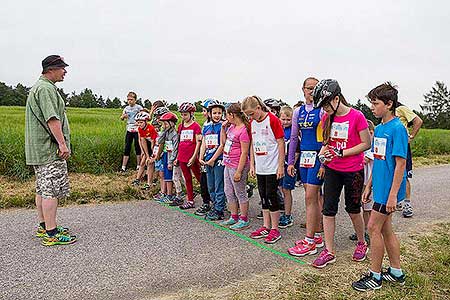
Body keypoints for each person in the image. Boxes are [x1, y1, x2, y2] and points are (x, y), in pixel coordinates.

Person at [352, 82, 408, 291]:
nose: (372, 108)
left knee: (373, 227)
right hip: (381, 187)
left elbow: (400, 163)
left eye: (375, 104)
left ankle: (374, 277)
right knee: (385, 229)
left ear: (389, 104)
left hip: (389, 192)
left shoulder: (397, 129)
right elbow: (378, 160)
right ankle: (396, 272)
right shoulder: (380, 129)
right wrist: (368, 186)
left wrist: (393, 196)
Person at [311, 79, 371, 268]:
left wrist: (342, 152)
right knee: (328, 210)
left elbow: (366, 144)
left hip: (353, 170)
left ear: (337, 99)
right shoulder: (326, 117)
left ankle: (362, 242)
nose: (324, 110)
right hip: (332, 169)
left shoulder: (357, 116)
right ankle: (329, 251)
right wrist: (323, 153)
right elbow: (326, 142)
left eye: (326, 106)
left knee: (353, 209)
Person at [25, 55, 76, 246]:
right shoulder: (45, 88)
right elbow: (52, 119)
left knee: (42, 188)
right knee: (51, 191)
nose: (65, 71)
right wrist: (62, 144)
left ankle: (44, 225)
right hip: (48, 149)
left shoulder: (40, 87)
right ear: (51, 69)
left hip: (40, 149)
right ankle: (51, 233)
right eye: (63, 68)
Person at [287, 77, 325, 257]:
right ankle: (317, 235)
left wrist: (324, 162)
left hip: (318, 157)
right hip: (304, 158)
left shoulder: (322, 111)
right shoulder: (298, 112)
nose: (311, 91)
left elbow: (326, 138)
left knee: (311, 197)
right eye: (308, 88)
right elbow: (294, 138)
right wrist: (289, 162)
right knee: (311, 197)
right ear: (302, 89)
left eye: (314, 88)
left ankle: (309, 241)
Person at [242, 96, 285, 244]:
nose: (250, 117)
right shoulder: (252, 122)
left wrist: (280, 166)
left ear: (259, 108)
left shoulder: (272, 119)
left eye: (252, 113)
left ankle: (275, 228)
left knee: (272, 196)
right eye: (248, 115)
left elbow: (280, 143)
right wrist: (252, 164)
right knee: (263, 196)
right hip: (260, 166)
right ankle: (266, 226)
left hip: (272, 166)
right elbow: (253, 143)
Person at [220, 103, 252, 230]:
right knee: (228, 191)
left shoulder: (243, 130)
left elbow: (245, 152)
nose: (226, 117)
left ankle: (244, 218)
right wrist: (223, 128)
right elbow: (223, 142)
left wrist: (239, 171)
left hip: (237, 165)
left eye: (227, 114)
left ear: (232, 115)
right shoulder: (231, 127)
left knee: (240, 192)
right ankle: (234, 216)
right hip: (227, 163)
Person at [395, 102, 423, 217]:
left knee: (404, 174)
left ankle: (407, 204)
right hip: (391, 145)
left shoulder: (401, 108)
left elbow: (418, 121)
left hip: (402, 145)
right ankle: (397, 200)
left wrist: (410, 137)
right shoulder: (386, 112)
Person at [199, 100, 226, 220]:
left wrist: (213, 159)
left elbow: (222, 145)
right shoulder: (207, 127)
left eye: (219, 113)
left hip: (218, 160)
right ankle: (215, 206)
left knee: (218, 185)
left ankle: (219, 209)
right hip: (208, 160)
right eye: (214, 113)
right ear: (209, 113)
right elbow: (204, 142)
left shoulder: (223, 126)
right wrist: (201, 157)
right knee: (210, 186)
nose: (217, 115)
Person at [349, 120, 375, 243]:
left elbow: (367, 159)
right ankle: (361, 231)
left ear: (371, 132)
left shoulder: (373, 148)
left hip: (369, 183)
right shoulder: (359, 147)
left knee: (368, 209)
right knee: (358, 207)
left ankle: (369, 232)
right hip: (359, 181)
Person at [174, 102, 202, 209]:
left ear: (191, 114)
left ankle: (209, 198)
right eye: (182, 114)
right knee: (187, 179)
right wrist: (177, 157)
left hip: (192, 157)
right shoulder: (180, 126)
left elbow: (198, 143)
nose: (183, 117)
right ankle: (190, 200)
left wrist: (194, 157)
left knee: (200, 178)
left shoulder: (196, 126)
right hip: (182, 157)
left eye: (185, 114)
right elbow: (179, 143)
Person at [154, 112, 180, 203]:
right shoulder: (166, 132)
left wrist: (171, 161)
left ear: (172, 123)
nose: (164, 125)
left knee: (169, 176)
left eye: (166, 123)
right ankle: (167, 194)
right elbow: (160, 140)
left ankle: (170, 194)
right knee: (165, 174)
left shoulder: (175, 134)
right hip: (165, 154)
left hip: (171, 156)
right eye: (163, 123)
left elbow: (175, 149)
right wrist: (163, 131)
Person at [195, 99, 214, 216]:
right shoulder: (205, 125)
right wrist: (200, 156)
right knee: (204, 181)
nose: (203, 113)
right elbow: (203, 142)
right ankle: (206, 202)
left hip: (215, 158)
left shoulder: (220, 124)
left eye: (204, 111)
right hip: (206, 156)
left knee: (215, 183)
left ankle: (217, 204)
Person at [278, 106, 296, 228]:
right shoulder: (279, 130)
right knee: (280, 187)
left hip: (289, 165)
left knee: (286, 189)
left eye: (288, 119)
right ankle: (283, 210)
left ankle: (288, 214)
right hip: (279, 165)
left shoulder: (294, 131)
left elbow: (296, 150)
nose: (285, 122)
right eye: (283, 119)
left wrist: (292, 164)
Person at [134, 111, 158, 190]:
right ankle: (137, 179)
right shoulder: (140, 129)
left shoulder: (151, 128)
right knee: (143, 162)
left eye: (141, 122)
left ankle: (150, 183)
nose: (139, 124)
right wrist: (145, 154)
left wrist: (151, 156)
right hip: (147, 144)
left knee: (150, 164)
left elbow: (153, 143)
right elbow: (143, 141)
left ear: (146, 121)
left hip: (155, 145)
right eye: (138, 122)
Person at [120, 91, 143, 172]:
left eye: (131, 99)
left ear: (135, 100)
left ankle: (138, 165)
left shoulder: (139, 107)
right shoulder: (126, 108)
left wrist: (139, 121)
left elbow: (143, 116)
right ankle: (123, 167)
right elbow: (121, 118)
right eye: (128, 99)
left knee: (138, 147)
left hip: (137, 129)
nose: (129, 101)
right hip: (129, 128)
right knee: (127, 147)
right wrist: (123, 116)